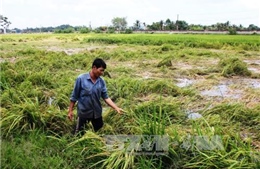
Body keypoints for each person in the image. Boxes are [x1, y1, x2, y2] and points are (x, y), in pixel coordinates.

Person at [68, 58, 123, 134]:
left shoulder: (101, 81)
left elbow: (106, 97)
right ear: (94, 67)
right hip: (84, 113)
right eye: (101, 70)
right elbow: (74, 96)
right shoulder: (81, 79)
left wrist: (116, 108)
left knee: (99, 133)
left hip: (97, 113)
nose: (102, 73)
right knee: (78, 134)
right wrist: (70, 111)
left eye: (103, 70)